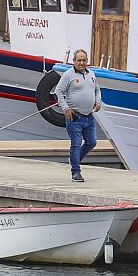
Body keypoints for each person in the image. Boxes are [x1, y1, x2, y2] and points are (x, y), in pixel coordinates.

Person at [54, 50, 102, 182]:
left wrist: (98, 101)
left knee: (92, 142)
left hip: (89, 116)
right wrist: (66, 108)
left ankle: (73, 160)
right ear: (74, 61)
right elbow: (58, 91)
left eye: (84, 60)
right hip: (75, 116)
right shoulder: (68, 75)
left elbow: (97, 89)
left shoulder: (91, 74)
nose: (81, 63)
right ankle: (76, 172)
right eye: (79, 60)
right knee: (76, 143)